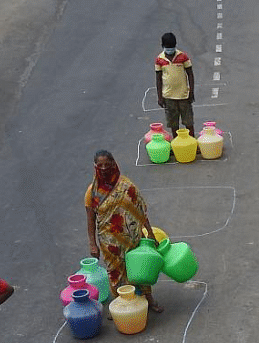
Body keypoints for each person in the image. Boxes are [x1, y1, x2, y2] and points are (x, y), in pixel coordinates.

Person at [84, 150, 163, 312]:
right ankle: (122, 306)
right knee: (115, 274)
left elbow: (140, 212)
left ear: (114, 163)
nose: (104, 168)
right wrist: (93, 244)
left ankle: (149, 299)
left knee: (140, 267)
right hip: (109, 242)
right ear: (95, 167)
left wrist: (150, 233)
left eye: (107, 164)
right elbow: (90, 220)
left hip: (133, 238)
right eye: (100, 165)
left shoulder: (126, 186)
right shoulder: (92, 193)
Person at [155, 32, 195, 137]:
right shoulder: (160, 59)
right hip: (168, 96)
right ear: (163, 46)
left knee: (188, 122)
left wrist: (191, 91)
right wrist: (160, 97)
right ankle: (177, 143)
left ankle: (192, 142)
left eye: (172, 47)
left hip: (183, 95)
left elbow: (190, 74)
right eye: (168, 47)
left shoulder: (183, 56)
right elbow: (158, 79)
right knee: (173, 123)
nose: (170, 50)